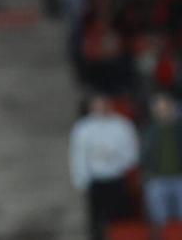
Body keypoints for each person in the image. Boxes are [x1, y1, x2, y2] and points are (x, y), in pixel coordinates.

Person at [70, 95, 139, 240]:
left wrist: (113, 156)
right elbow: (78, 155)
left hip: (117, 178)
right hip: (95, 180)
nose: (100, 109)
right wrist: (81, 179)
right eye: (97, 106)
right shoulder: (83, 128)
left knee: (120, 220)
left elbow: (132, 153)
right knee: (96, 221)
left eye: (103, 105)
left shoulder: (122, 125)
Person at [142, 94, 182, 236]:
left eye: (166, 108)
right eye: (160, 109)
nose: (163, 112)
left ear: (172, 109)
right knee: (159, 221)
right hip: (157, 180)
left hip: (179, 178)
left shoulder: (179, 129)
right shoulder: (149, 131)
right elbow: (144, 156)